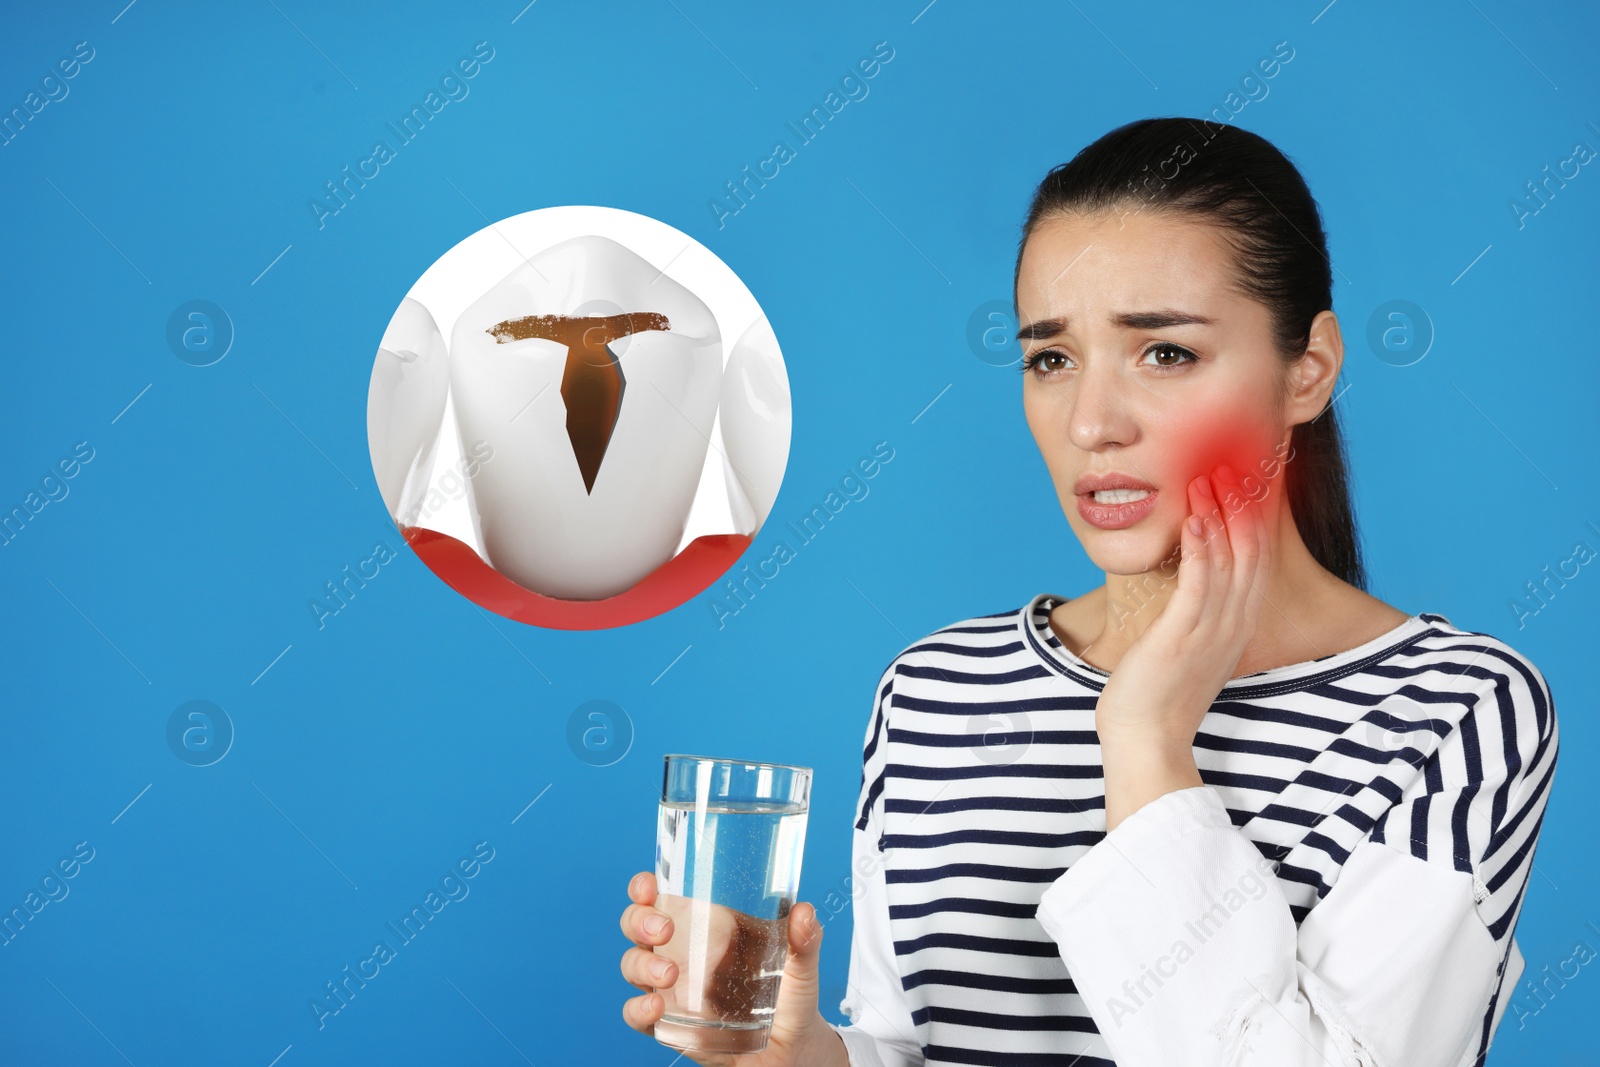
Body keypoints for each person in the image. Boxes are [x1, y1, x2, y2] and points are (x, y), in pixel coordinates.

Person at [616, 117, 1559, 1066]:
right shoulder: (938, 691)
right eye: (1051, 359)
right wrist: (807, 1055)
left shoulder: (1454, 710)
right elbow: (912, 1047)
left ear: (1307, 368)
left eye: (1165, 353)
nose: (1092, 423)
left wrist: (1146, 739)